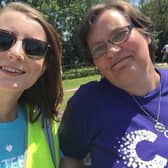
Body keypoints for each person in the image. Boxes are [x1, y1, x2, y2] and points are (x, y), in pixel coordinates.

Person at [59, 0, 168, 168]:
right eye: (99, 49)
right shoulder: (88, 103)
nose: (112, 51)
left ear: (145, 34)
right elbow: (69, 157)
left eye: (119, 35)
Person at [0, 2, 63, 168]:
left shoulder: (47, 125)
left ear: (43, 68)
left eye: (34, 48)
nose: (16, 53)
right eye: (3, 39)